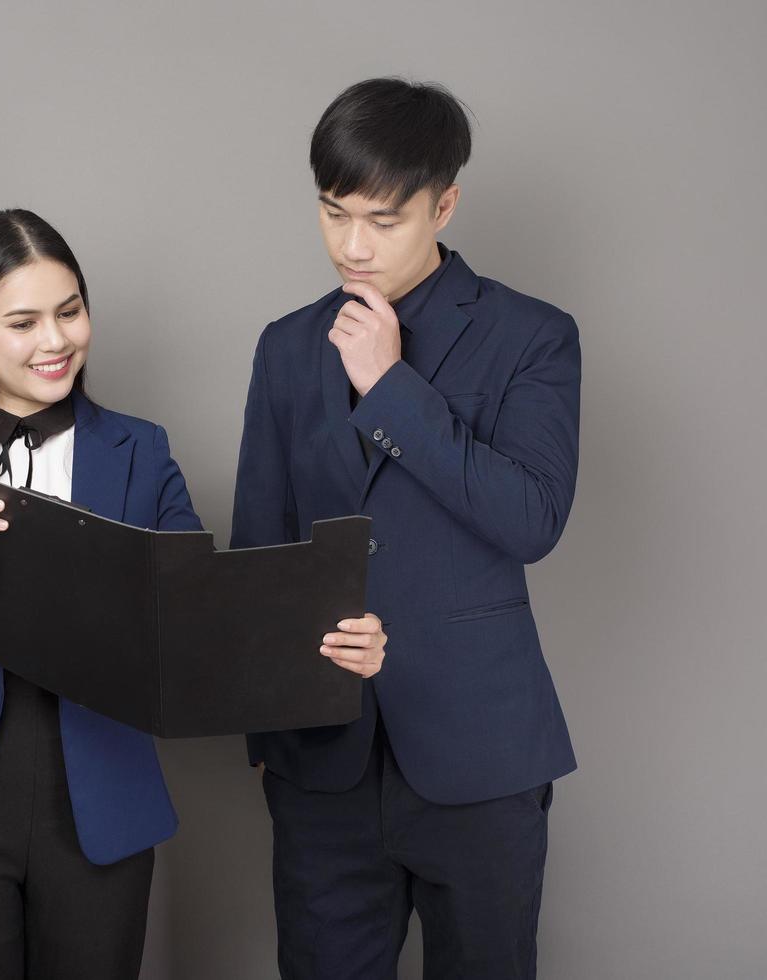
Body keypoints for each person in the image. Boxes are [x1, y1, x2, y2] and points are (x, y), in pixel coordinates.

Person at [0, 208, 385, 978]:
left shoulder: (142, 451)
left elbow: (208, 617)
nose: (55, 340)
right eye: (23, 321)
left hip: (101, 802)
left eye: (70, 312)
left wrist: (335, 640)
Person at [232, 78, 581, 979]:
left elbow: (533, 517)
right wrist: (270, 742)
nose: (352, 246)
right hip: (321, 765)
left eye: (383, 221)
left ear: (444, 204)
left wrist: (392, 390)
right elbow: (261, 551)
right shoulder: (284, 347)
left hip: (480, 752)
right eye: (332, 212)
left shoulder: (532, 337)